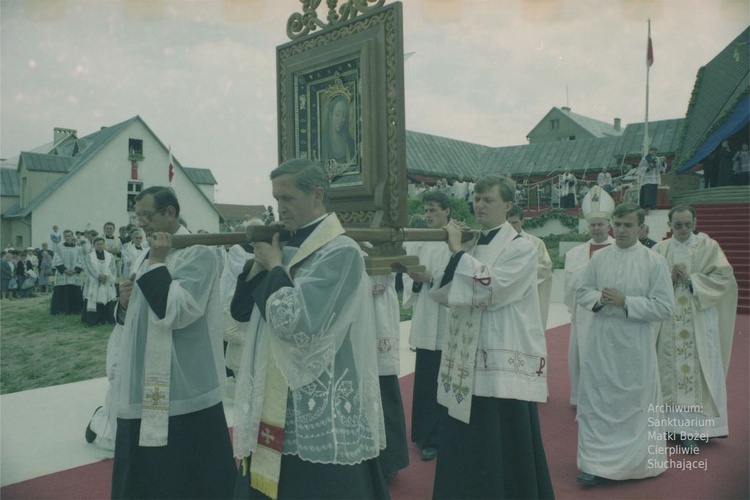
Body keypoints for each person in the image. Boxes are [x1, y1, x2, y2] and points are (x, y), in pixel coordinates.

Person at [230, 159, 386, 499]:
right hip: (274, 385)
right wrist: (261, 266)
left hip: (318, 388)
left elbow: (297, 323)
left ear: (317, 194)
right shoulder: (283, 244)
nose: (280, 208)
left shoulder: (340, 251)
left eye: (288, 198)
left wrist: (274, 265)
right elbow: (241, 312)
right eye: (276, 199)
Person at [429, 174, 553, 499]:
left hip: (499, 357)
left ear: (508, 205)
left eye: (488, 200)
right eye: (477, 198)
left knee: (499, 439)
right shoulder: (473, 244)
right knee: (466, 438)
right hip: (467, 355)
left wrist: (457, 251)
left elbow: (492, 289)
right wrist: (442, 267)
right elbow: (446, 293)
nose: (480, 204)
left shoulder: (522, 247)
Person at [111, 186, 236, 499]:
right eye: (138, 216)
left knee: (186, 477)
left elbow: (176, 311)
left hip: (184, 385)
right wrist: (125, 305)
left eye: (147, 215)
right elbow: (139, 316)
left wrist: (158, 262)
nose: (141, 223)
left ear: (170, 213)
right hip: (145, 379)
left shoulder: (199, 252)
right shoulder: (148, 252)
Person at [575, 202, 675, 485]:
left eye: (628, 225)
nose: (620, 230)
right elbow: (582, 290)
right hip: (602, 340)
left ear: (642, 228)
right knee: (598, 401)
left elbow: (665, 308)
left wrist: (627, 301)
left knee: (632, 403)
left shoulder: (653, 261)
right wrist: (598, 300)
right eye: (617, 224)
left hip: (634, 344)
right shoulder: (600, 259)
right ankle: (594, 464)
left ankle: (633, 465)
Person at [653, 205, 738, 449]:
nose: (682, 229)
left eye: (687, 224)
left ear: (695, 222)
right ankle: (670, 426)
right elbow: (650, 282)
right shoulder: (661, 249)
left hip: (698, 319)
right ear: (669, 225)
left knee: (696, 371)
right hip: (668, 321)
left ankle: (694, 429)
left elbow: (724, 277)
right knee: (669, 370)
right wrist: (668, 278)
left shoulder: (709, 247)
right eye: (677, 225)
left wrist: (691, 279)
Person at [401, 190, 453, 462]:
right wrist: (417, 278)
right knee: (425, 378)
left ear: (447, 211)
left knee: (446, 377)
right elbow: (409, 278)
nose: (429, 215)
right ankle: (424, 436)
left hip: (446, 318)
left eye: (434, 210)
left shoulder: (456, 239)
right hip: (425, 316)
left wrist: (433, 277)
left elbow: (460, 278)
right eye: (427, 210)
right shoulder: (422, 239)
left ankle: (445, 435)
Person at [565, 186, 615, 405]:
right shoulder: (576, 253)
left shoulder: (620, 249)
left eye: (600, 224)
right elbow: (572, 283)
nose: (596, 228)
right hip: (585, 312)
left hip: (611, 311)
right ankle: (583, 398)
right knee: (583, 354)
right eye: (593, 224)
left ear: (609, 225)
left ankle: (607, 399)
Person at [368, 271, 409, 483]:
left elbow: (378, 284)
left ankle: (389, 460)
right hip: (355, 321)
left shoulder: (380, 241)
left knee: (384, 392)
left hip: (377, 320)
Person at [507, 204, 553, 330]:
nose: (511, 226)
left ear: (522, 221)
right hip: (505, 296)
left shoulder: (536, 243)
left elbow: (545, 268)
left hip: (527, 296)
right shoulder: (500, 242)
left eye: (515, 222)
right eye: (508, 223)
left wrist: (518, 272)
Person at [81, 237, 118, 326]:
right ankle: (94, 320)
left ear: (104, 245)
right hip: (94, 282)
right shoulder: (89, 256)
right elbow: (89, 268)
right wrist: (98, 276)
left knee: (108, 299)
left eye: (101, 244)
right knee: (93, 299)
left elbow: (112, 267)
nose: (100, 246)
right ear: (94, 245)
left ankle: (107, 319)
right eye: (98, 244)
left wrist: (106, 275)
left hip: (106, 280)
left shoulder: (110, 256)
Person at [50, 230, 84, 315]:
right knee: (62, 291)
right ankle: (61, 310)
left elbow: (81, 260)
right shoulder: (59, 247)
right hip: (63, 274)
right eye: (66, 236)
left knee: (75, 291)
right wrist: (64, 270)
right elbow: (57, 259)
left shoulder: (78, 248)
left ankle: (76, 310)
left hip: (74, 273)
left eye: (69, 236)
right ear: (64, 237)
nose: (68, 238)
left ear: (72, 237)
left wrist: (75, 270)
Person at [322, 95, 356, 167]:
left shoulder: (350, 142)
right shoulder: (322, 141)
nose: (341, 120)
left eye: (343, 116)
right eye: (337, 115)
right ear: (331, 115)